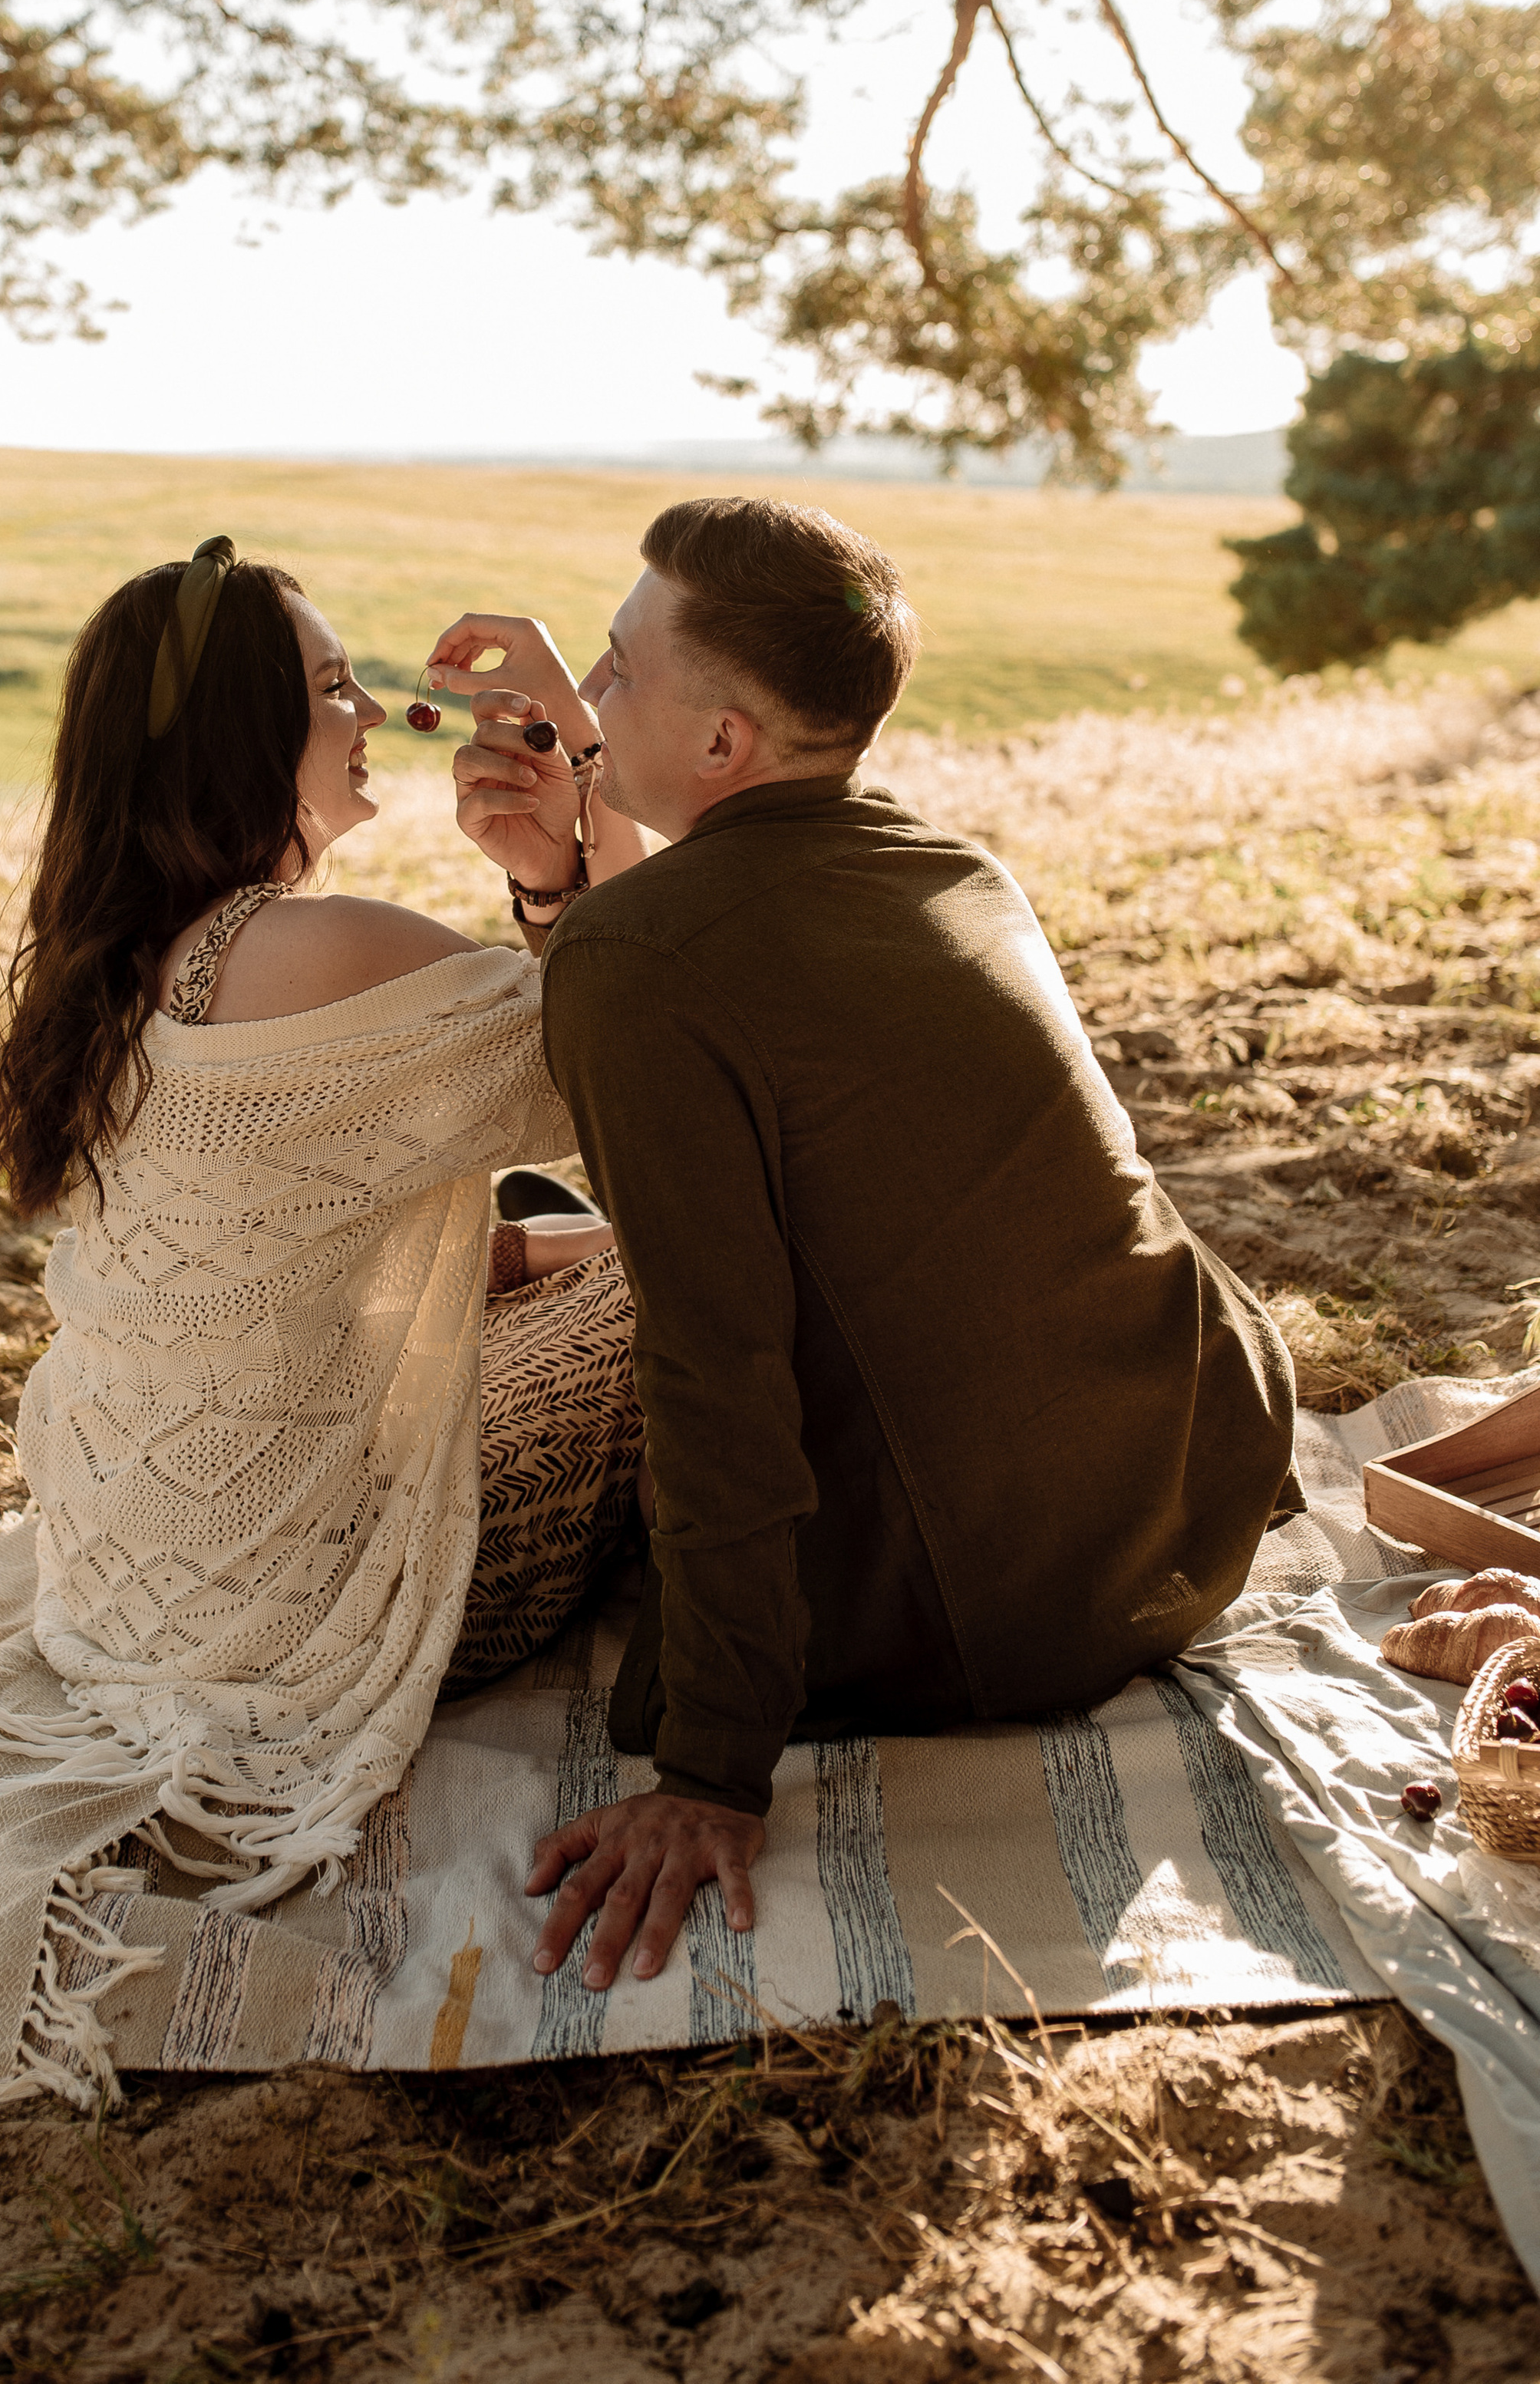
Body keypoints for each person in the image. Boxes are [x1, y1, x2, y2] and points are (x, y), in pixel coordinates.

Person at [431, 498, 1303, 1997]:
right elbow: (723, 983)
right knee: (557, 1241)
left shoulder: (639, 962)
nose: (592, 700)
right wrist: (579, 839)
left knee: (561, 1285)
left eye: (617, 672)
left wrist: (711, 1766)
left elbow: (711, 1366)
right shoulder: (951, 865)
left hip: (1012, 1605)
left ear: (721, 744)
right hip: (1183, 1480)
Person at [0, 537, 650, 1911]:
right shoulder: (322, 948)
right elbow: (657, 1065)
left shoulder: (113, 963)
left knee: (537, 1241)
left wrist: (544, 882)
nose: (366, 715)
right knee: (697, 1275)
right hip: (295, 1620)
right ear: (240, 734)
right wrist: (584, 778)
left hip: (119, 1592)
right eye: (333, 685)